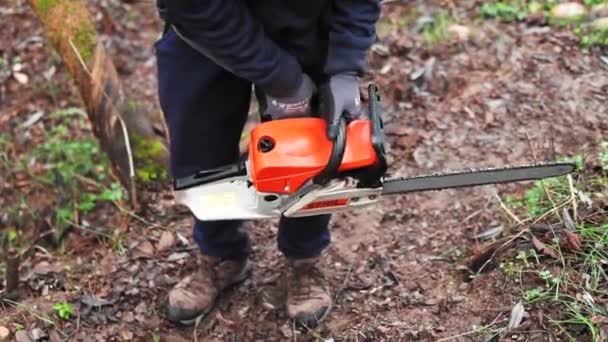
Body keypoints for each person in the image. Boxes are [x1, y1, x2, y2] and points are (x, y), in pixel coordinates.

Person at [154, 0, 381, 328]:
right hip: (204, 28)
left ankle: (304, 257)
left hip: (309, 20)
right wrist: (282, 78)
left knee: (315, 143)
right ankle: (219, 253)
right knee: (199, 144)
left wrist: (345, 65)